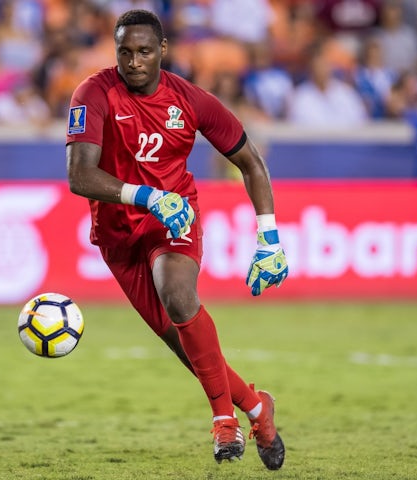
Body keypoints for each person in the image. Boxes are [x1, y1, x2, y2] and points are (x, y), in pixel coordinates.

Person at [65, 9, 288, 469]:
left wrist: (269, 237)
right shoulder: (94, 92)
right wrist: (145, 195)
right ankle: (258, 407)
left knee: (179, 295)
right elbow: (80, 175)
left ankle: (223, 421)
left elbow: (251, 162)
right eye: (124, 51)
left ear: (162, 51)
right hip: (118, 234)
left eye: (144, 51)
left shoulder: (192, 101)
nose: (134, 61)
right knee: (183, 342)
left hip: (174, 217)